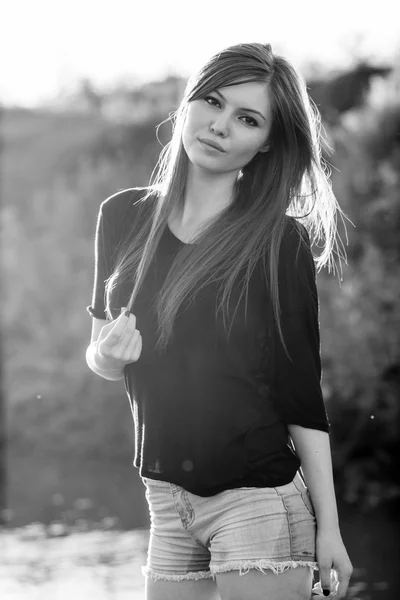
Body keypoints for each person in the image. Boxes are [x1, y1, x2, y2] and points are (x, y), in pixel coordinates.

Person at [86, 42, 353, 600]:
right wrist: (107, 356)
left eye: (247, 119)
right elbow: (100, 359)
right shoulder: (121, 216)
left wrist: (329, 526)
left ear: (266, 145)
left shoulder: (279, 242)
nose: (220, 125)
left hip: (256, 497)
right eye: (213, 101)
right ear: (188, 103)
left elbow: (300, 392)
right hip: (166, 496)